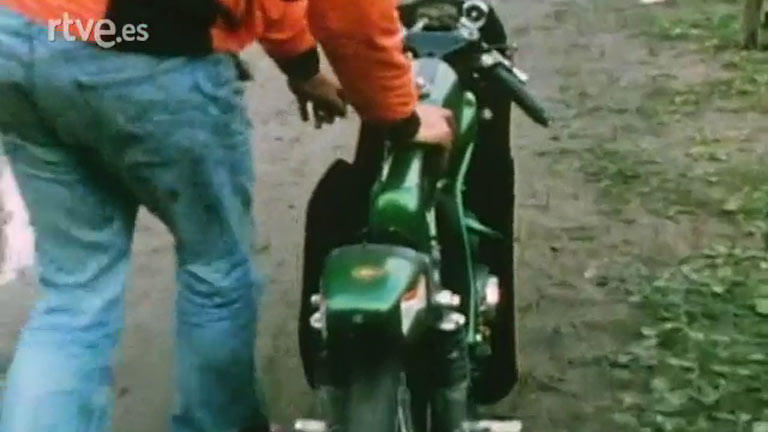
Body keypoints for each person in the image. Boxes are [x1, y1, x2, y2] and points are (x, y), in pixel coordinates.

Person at [0, 0, 455, 430]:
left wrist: (301, 64)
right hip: (147, 48)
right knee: (215, 270)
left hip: (22, 32)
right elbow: (351, 12)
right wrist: (399, 115)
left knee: (76, 293)